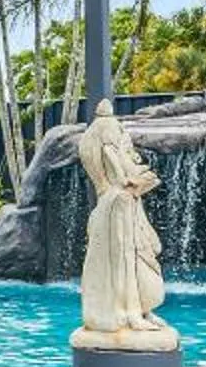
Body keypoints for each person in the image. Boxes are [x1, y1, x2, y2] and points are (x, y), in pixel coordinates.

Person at [73, 100, 174, 348]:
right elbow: (119, 173)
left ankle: (140, 309)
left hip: (123, 201)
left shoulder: (99, 136)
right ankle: (128, 312)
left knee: (141, 254)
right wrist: (135, 180)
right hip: (119, 203)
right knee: (124, 259)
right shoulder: (107, 138)